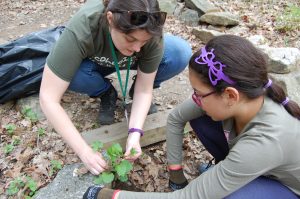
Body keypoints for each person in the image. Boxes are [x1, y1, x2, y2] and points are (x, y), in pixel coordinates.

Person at [83, 35, 300, 199]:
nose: (194, 98)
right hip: (255, 162)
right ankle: (228, 171)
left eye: (198, 93)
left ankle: (234, 177)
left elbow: (186, 198)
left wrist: (107, 195)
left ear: (230, 95)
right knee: (201, 117)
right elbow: (177, 117)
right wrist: (175, 174)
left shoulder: (264, 142)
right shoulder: (246, 96)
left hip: (287, 187)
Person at [39, 0, 192, 176]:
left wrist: (135, 133)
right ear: (110, 19)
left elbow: (145, 89)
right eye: (130, 39)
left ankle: (131, 95)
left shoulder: (149, 29)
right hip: (94, 62)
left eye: (143, 42)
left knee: (179, 52)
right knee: (68, 74)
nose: (136, 48)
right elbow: (48, 97)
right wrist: (84, 151)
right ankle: (104, 91)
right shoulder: (84, 27)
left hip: (126, 62)